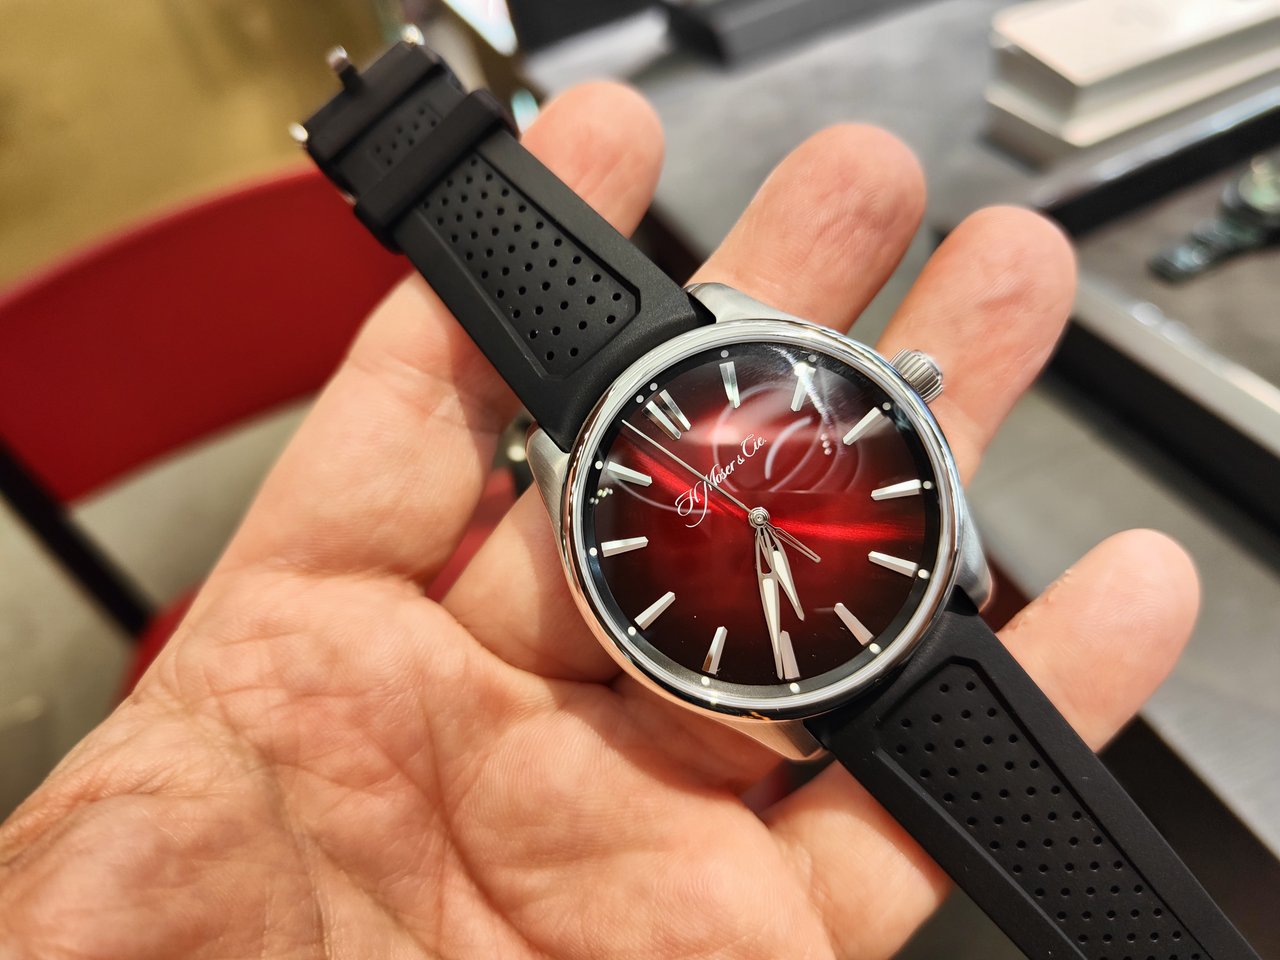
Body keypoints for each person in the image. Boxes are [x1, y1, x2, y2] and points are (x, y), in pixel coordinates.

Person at [0, 82, 1196, 959]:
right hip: (792, 636)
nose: (761, 518)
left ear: (897, 397)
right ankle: (393, 126)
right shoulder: (651, 556)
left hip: (868, 631)